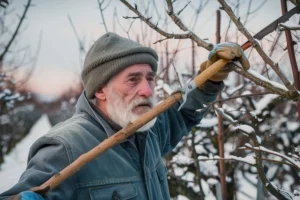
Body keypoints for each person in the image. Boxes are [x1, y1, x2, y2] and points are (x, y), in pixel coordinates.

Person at [0, 32, 249, 200]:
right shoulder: (64, 148)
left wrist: (210, 80)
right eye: (133, 80)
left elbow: (182, 115)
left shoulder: (145, 130)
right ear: (100, 89)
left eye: (150, 78)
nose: (147, 90)